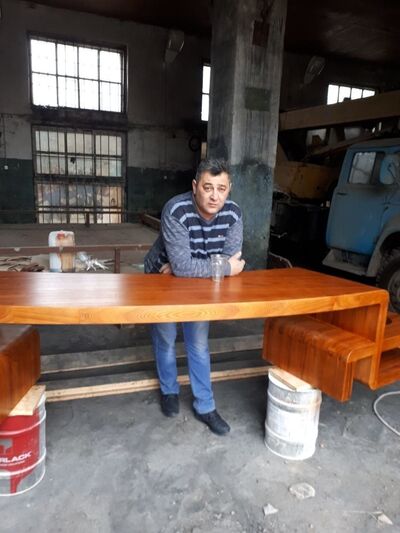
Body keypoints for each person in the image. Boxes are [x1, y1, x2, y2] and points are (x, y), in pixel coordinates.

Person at [144, 158, 245, 436]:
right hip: (160, 280)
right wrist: (218, 267)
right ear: (194, 186)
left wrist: (187, 267)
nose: (214, 196)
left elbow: (230, 259)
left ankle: (205, 405)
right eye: (207, 187)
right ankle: (169, 390)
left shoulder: (233, 214)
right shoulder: (176, 210)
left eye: (221, 189)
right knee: (166, 337)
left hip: (198, 285)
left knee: (198, 343)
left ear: (229, 188)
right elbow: (214, 266)